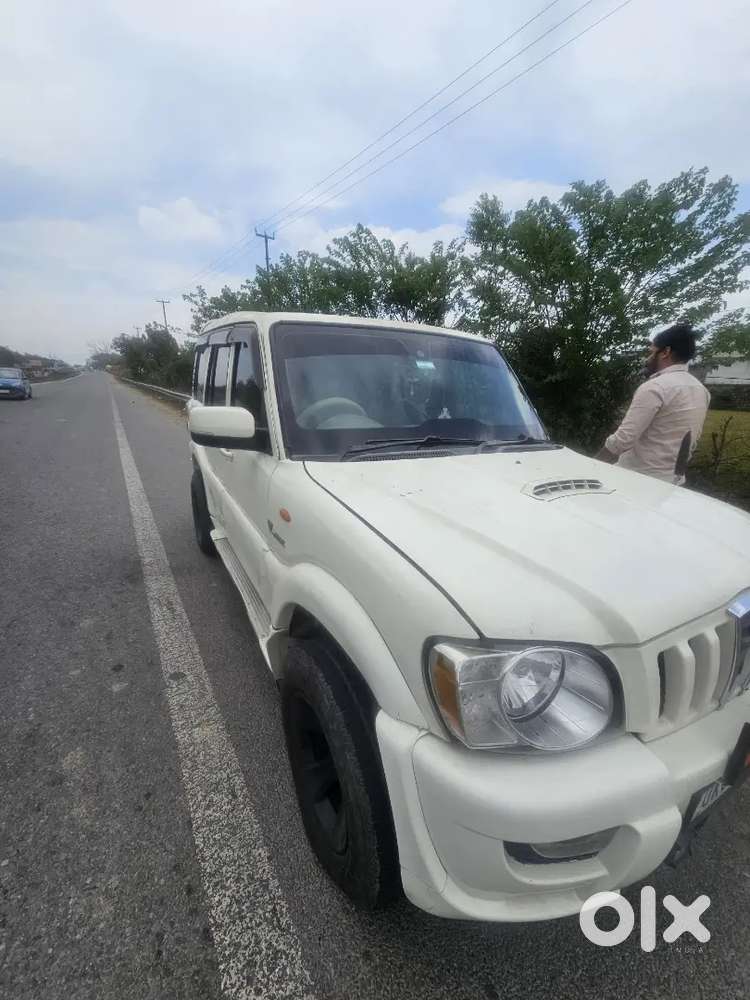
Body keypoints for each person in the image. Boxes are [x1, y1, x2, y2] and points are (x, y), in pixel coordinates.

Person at [596, 322, 710, 484]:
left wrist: (593, 464)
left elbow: (623, 440)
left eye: (651, 352)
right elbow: (692, 440)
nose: (648, 359)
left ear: (666, 352)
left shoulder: (655, 387)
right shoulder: (701, 390)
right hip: (674, 482)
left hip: (636, 480)